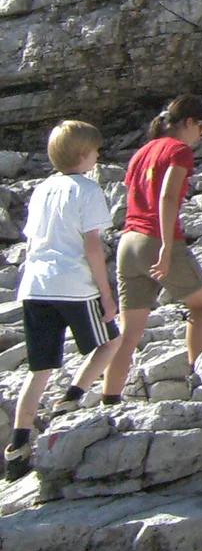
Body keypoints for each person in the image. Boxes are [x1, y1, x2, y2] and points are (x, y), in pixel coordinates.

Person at [7, 121, 120, 482]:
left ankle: (18, 445)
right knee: (110, 340)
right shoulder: (87, 190)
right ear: (83, 154)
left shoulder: (41, 189)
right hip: (74, 284)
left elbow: (32, 240)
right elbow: (92, 247)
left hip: (36, 286)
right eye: (95, 150)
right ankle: (71, 396)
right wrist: (106, 294)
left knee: (39, 368)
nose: (98, 155)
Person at [101, 95, 202, 403]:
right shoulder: (179, 151)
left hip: (128, 241)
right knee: (201, 305)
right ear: (188, 123)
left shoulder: (142, 152)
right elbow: (166, 198)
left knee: (129, 332)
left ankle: (110, 398)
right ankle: (200, 377)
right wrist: (166, 248)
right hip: (156, 239)